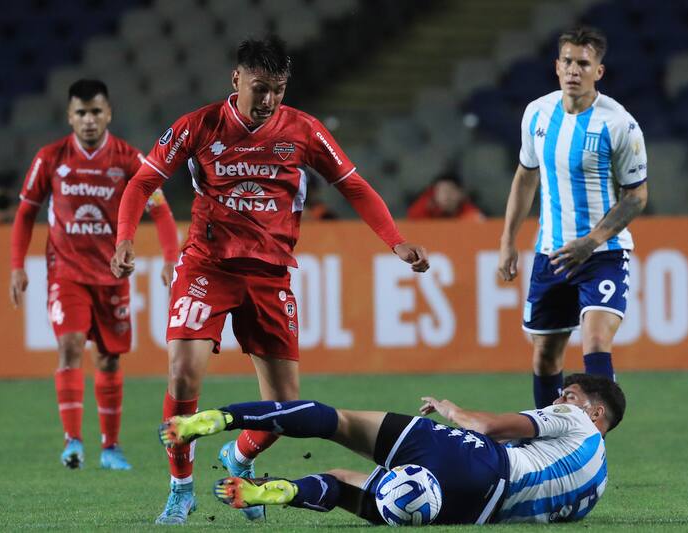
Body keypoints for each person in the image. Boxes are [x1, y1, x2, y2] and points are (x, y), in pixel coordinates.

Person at [109, 36, 429, 524]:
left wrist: (396, 241)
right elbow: (142, 182)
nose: (269, 100)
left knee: (286, 407)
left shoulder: (304, 130)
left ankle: (239, 456)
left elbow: (353, 185)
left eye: (278, 89)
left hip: (270, 275)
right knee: (182, 373)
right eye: (260, 88)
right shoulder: (198, 125)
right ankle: (180, 488)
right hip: (208, 267)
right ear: (236, 80)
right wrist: (125, 239)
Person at [159, 373, 625, 525]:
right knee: (342, 482)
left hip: (480, 460)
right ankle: (282, 491)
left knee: (338, 421)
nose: (559, 400)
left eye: (570, 394)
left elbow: (487, 427)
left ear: (596, 412)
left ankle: (221, 419)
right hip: (471, 511)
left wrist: (450, 409)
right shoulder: (596, 488)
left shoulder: (576, 420)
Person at [9, 79, 179, 471]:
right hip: (65, 272)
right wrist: (17, 265)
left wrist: (171, 258)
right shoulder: (50, 158)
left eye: (96, 111)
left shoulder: (128, 159)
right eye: (81, 113)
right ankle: (72, 442)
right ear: (70, 116)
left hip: (112, 274)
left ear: (109, 114)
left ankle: (110, 447)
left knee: (108, 359)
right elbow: (25, 212)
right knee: (69, 346)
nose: (89, 120)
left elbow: (161, 210)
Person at [497, 27, 648, 408]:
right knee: (545, 355)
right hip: (552, 254)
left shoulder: (619, 124)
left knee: (595, 341)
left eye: (583, 63)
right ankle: (551, 436)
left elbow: (636, 196)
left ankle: (596, 439)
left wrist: (591, 241)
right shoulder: (537, 113)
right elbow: (525, 177)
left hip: (603, 253)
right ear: (556, 66)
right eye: (567, 61)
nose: (574, 70)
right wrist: (508, 241)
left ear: (599, 71)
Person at [406, 171, 484, 221]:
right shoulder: (424, 209)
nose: (446, 196)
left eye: (450, 191)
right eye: (441, 191)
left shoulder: (470, 213)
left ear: (461, 193)